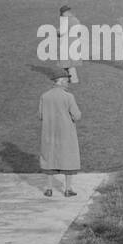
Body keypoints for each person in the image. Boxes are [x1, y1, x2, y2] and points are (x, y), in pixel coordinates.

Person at [39, 68, 81, 197]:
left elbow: (40, 115)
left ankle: (49, 189)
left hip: (49, 132)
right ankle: (68, 189)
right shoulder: (68, 96)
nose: (68, 82)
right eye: (67, 80)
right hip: (66, 132)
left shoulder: (44, 96)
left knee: (49, 158)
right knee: (69, 158)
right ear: (61, 81)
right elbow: (77, 115)